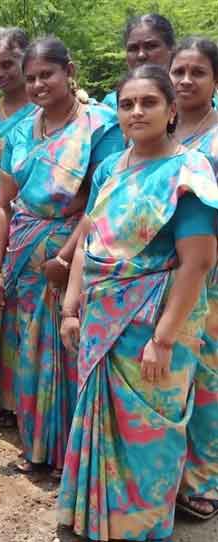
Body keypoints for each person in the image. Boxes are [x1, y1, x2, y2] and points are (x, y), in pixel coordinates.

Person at [58, 64, 218, 541]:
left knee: (151, 435)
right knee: (102, 424)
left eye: (148, 102)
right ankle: (97, 520)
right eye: (127, 103)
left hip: (155, 326)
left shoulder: (189, 173)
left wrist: (163, 339)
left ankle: (141, 529)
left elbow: (198, 263)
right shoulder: (112, 167)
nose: (135, 111)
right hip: (101, 321)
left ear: (171, 111)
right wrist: (70, 308)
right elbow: (89, 241)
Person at [0, 37, 124, 477]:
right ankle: (37, 441)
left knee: (63, 352)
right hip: (23, 250)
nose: (39, 84)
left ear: (69, 71)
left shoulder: (100, 128)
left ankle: (68, 451)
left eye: (47, 74)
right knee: (31, 350)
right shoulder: (22, 129)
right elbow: (4, 203)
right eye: (31, 78)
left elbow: (100, 205)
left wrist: (63, 261)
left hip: (74, 255)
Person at [170, 37, 218, 521]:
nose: (185, 80)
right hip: (158, 277)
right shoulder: (155, 125)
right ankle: (162, 475)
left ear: (215, 80)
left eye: (197, 72)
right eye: (178, 71)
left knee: (205, 379)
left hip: (209, 277)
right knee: (164, 377)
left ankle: (202, 479)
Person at [0, 27, 38, 420]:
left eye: (9, 64)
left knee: (38, 316)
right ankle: (4, 397)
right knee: (1, 303)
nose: (1, 73)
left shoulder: (51, 107)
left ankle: (35, 399)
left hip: (42, 220)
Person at [102, 13, 175, 109]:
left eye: (151, 46)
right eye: (133, 48)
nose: (141, 55)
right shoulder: (111, 105)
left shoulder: (188, 95)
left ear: (171, 50)